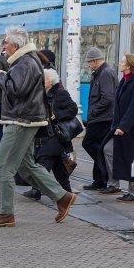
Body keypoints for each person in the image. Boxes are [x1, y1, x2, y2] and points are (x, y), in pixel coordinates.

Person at [0, 27, 75, 228]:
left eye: (5, 43)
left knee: (2, 166)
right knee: (26, 166)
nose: (3, 47)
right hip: (26, 119)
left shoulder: (24, 62)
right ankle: (62, 197)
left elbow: (16, 90)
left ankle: (5, 213)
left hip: (21, 121)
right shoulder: (27, 61)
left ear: (15, 45)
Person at [23, 69, 78, 200]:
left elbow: (73, 109)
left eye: (44, 78)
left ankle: (36, 191)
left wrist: (57, 115)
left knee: (42, 165)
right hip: (47, 136)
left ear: (50, 81)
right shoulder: (42, 93)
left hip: (54, 137)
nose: (41, 80)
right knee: (59, 170)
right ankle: (67, 192)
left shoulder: (60, 93)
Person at [102, 54, 134, 203]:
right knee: (108, 150)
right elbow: (119, 106)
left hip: (132, 130)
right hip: (120, 128)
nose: (119, 63)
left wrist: (123, 127)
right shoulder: (124, 80)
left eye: (122, 61)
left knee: (133, 160)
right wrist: (116, 125)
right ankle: (114, 183)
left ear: (129, 65)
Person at [81, 48, 118, 191]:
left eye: (89, 62)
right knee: (97, 145)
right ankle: (99, 181)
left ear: (95, 61)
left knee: (89, 143)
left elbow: (108, 98)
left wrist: (93, 111)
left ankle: (104, 173)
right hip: (101, 117)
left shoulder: (105, 73)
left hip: (102, 118)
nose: (89, 65)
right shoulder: (100, 73)